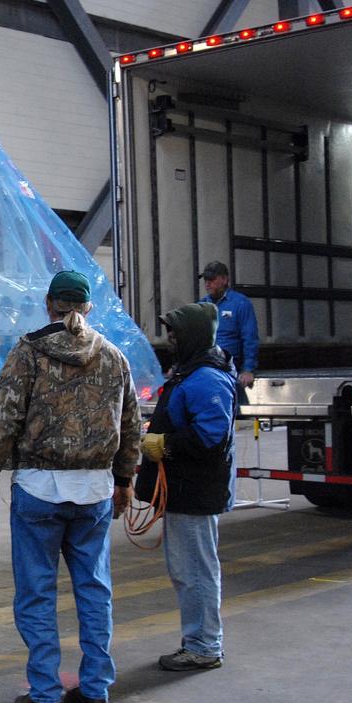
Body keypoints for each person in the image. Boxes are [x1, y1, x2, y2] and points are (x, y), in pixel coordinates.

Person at [0, 270, 140, 703]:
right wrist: (125, 481)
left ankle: (45, 695)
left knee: (36, 594)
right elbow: (130, 427)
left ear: (50, 304)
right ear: (86, 307)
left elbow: (3, 417)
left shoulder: (28, 353)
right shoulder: (113, 357)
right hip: (94, 493)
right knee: (94, 590)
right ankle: (95, 692)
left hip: (38, 491)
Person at [136, 302, 236, 672]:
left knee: (195, 571)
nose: (170, 339)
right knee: (188, 569)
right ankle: (200, 641)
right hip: (185, 490)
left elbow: (212, 435)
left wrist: (166, 445)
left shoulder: (206, 378)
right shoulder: (191, 372)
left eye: (176, 332)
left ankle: (204, 646)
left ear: (192, 335)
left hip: (195, 492)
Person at [197, 261, 258, 400]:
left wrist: (248, 370)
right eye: (206, 280)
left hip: (228, 365)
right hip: (205, 364)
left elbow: (250, 338)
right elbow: (192, 338)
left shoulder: (240, 303)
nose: (207, 283)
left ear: (224, 279)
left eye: (212, 279)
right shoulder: (201, 305)